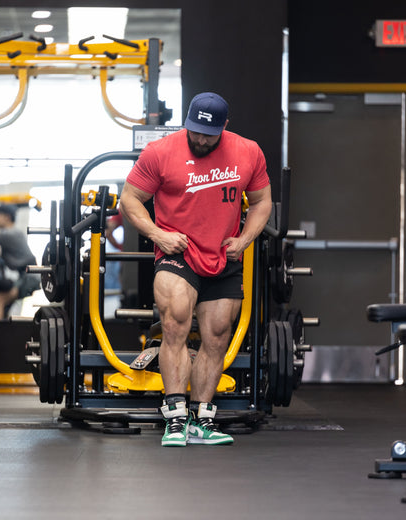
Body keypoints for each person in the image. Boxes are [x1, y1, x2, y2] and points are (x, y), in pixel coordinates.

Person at [119, 92, 272, 447]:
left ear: (224, 127)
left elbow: (263, 201)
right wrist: (158, 234)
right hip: (178, 253)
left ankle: (202, 418)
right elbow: (130, 198)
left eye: (209, 133)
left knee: (218, 334)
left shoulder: (248, 152)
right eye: (195, 131)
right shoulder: (160, 152)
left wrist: (246, 238)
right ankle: (175, 418)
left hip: (224, 255)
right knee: (174, 322)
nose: (201, 140)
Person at [0, 204, 40, 319]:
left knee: (0, 298)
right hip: (24, 275)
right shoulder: (11, 234)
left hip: (29, 277)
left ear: (6, 217)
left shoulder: (11, 233)